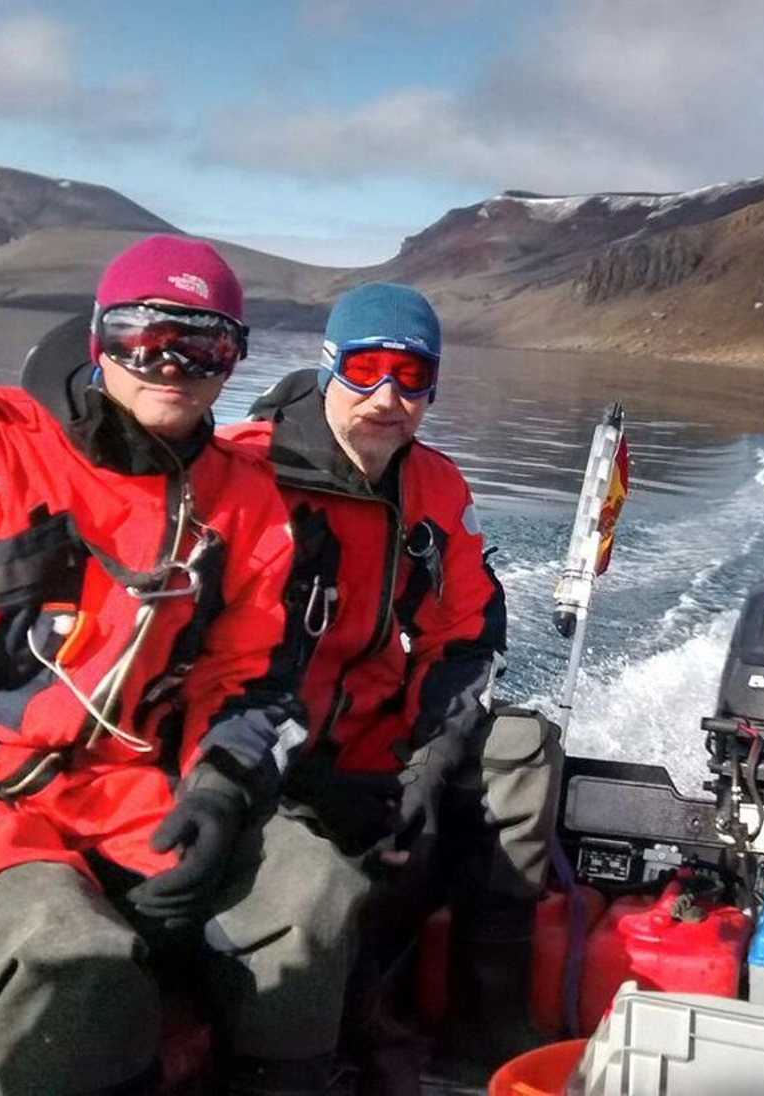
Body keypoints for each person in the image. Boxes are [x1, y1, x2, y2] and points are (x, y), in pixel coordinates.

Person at [0, 235, 370, 1096]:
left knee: (315, 897)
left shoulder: (244, 504)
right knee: (73, 966)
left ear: (233, 362)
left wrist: (220, 790)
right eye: (141, 337)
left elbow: (255, 682)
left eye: (204, 345)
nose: (171, 365)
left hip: (123, 783)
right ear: (97, 339)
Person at [220, 282, 560, 1082]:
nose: (387, 397)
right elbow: (200, 662)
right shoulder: (244, 473)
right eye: (367, 368)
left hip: (378, 731)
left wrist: (429, 761)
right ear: (328, 365)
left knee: (522, 747)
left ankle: (484, 1021)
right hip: (264, 747)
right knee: (315, 880)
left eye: (411, 377)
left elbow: (467, 636)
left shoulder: (435, 489)